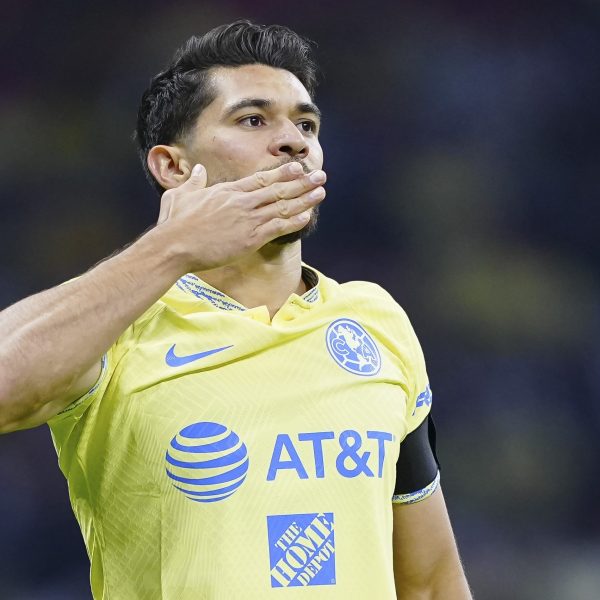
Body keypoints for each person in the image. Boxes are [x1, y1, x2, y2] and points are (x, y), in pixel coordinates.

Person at [0, 20, 472, 599]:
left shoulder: (374, 321)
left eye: (306, 124)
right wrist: (170, 247)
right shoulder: (119, 326)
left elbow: (429, 583)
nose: (294, 141)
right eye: (253, 120)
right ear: (173, 167)